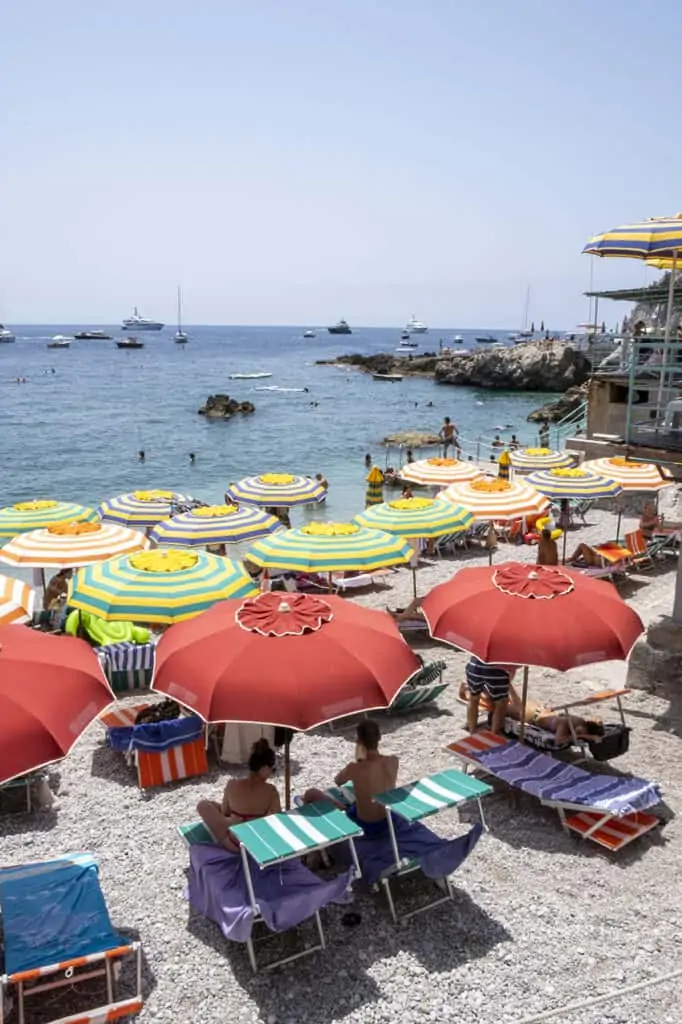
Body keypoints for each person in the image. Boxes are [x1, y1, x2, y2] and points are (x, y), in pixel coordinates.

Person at [304, 720, 398, 836]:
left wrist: (359, 757)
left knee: (311, 793)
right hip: (389, 819)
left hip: (365, 825)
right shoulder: (393, 761)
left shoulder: (354, 768)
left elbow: (338, 781)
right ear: (379, 737)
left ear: (358, 741)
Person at [196, 738, 280, 852]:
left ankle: (229, 827)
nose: (271, 773)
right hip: (258, 845)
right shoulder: (271, 791)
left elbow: (225, 811)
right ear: (264, 768)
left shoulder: (232, 785)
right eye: (272, 769)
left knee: (203, 805)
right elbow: (276, 820)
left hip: (234, 843)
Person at [505, 684, 604, 745]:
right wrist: (585, 736)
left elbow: (597, 720)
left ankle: (506, 682)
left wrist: (587, 734)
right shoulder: (566, 724)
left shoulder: (580, 721)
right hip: (530, 714)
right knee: (503, 707)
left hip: (537, 710)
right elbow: (559, 740)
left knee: (516, 702)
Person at [465, 655, 514, 734]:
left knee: (473, 698)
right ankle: (493, 733)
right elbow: (512, 667)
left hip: (475, 665)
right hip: (496, 670)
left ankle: (472, 731)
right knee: (501, 703)